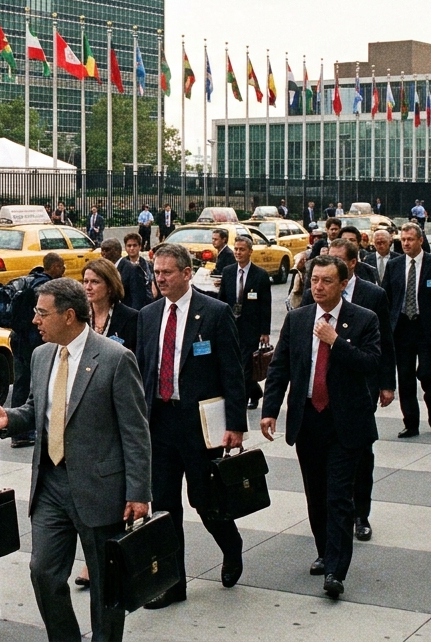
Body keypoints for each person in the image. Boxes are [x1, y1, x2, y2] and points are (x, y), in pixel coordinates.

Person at [0, 278, 150, 641]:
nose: (34, 320)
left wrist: (138, 492)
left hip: (100, 488)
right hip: (50, 484)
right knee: (43, 572)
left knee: (105, 582)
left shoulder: (116, 359)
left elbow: (135, 431)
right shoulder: (41, 356)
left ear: (69, 315)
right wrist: (11, 418)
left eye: (42, 313)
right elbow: (37, 409)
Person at [261, 255, 382, 598]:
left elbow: (371, 363)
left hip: (345, 422)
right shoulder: (298, 319)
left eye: (327, 281)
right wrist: (270, 410)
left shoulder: (363, 319)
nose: (318, 287)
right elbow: (280, 366)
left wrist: (335, 341)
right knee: (316, 494)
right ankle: (324, 550)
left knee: (339, 497)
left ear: (344, 284)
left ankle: (336, 570)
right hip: (309, 420)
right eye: (314, 279)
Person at [135, 242, 246, 608]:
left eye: (167, 272)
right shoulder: (148, 315)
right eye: (157, 271)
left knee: (207, 501)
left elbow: (233, 371)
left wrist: (235, 424)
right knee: (165, 508)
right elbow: (143, 370)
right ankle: (174, 582)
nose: (160, 278)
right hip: (161, 422)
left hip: (200, 424)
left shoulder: (214, 313)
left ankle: (231, 546)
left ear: (186, 274)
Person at [303, 239, 395, 542]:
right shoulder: (311, 296)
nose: (320, 282)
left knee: (359, 453)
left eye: (337, 260)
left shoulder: (372, 295)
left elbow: (384, 345)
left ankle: (361, 514)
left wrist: (387, 383)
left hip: (359, 388)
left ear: (350, 266)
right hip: (322, 394)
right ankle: (333, 518)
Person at [383, 222, 431, 438]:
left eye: (410, 239)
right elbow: (386, 297)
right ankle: (411, 422)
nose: (405, 243)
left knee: (426, 373)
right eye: (403, 240)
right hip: (402, 327)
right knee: (404, 377)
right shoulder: (394, 265)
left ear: (420, 240)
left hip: (427, 328)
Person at [5, 255, 65, 448]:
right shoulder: (46, 289)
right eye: (61, 266)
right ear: (54, 267)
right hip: (33, 341)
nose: (63, 270)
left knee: (21, 381)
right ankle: (25, 431)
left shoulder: (30, 280)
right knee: (35, 382)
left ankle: (17, 432)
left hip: (18, 338)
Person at [214, 234, 271, 409]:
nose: (238, 252)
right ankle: (255, 392)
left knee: (246, 365)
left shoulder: (260, 275)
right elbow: (222, 299)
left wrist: (264, 332)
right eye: (236, 249)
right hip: (232, 325)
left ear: (250, 252)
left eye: (242, 249)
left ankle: (242, 399)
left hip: (250, 328)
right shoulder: (228, 271)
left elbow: (265, 304)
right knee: (234, 362)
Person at [83, 258, 138, 353]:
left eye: (95, 282)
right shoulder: (79, 316)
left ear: (110, 286)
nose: (88, 287)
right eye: (85, 281)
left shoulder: (130, 317)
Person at [100, 238, 147, 312]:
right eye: (102, 250)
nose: (103, 253)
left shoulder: (132, 269)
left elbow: (137, 298)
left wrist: (133, 318)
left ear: (117, 251)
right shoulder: (105, 269)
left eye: (107, 250)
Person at [121, 233, 155, 308]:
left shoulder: (148, 265)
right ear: (125, 247)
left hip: (146, 303)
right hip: (127, 305)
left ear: (140, 247)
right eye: (129, 246)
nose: (132, 248)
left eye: (135, 245)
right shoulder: (122, 265)